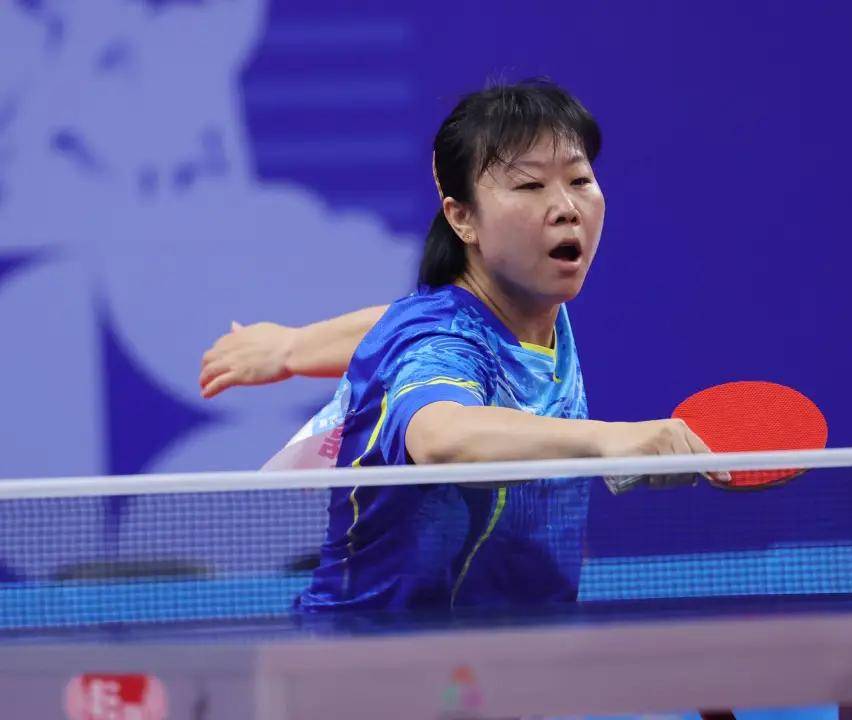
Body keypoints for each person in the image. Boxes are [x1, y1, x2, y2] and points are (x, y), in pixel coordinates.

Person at [202, 80, 722, 611]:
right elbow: (441, 433)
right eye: (529, 185)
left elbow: (396, 324)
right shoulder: (441, 341)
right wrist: (609, 440)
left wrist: (292, 348)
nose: (566, 207)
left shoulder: (524, 309)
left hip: (510, 642)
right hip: (377, 650)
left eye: (579, 179)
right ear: (462, 218)